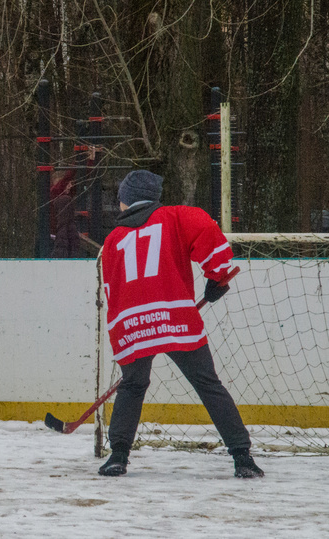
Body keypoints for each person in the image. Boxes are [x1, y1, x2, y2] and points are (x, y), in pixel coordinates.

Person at [98, 170, 264, 479]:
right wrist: (217, 278)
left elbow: (112, 290)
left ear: (128, 200)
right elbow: (207, 230)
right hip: (175, 317)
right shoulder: (176, 216)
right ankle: (242, 456)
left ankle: (117, 456)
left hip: (133, 323)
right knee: (207, 383)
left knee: (132, 385)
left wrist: (125, 328)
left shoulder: (113, 239)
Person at [49, 170, 80, 258]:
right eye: (68, 183)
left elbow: (84, 178)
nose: (70, 186)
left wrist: (90, 161)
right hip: (55, 235)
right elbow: (67, 177)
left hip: (63, 235)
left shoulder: (66, 195)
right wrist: (81, 157)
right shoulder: (54, 193)